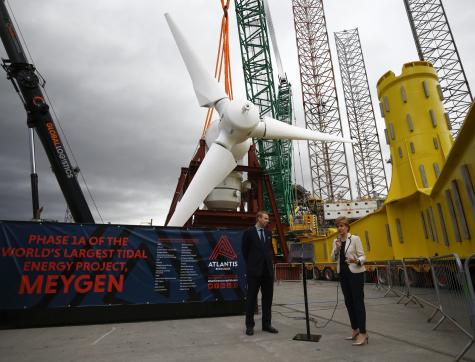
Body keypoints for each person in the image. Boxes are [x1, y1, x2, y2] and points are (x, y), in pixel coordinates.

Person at [331, 216, 368, 346]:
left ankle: (363, 333)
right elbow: (332, 258)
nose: (339, 228)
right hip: (343, 275)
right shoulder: (336, 241)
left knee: (358, 302)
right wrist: (336, 249)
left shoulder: (355, 239)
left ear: (347, 226)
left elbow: (363, 256)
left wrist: (356, 260)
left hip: (355, 274)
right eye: (338, 226)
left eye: (342, 226)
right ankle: (355, 330)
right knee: (349, 303)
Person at [241, 210, 278, 336]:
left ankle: (266, 325)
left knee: (268, 299)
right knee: (251, 299)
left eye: (268, 219)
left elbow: (269, 251)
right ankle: (249, 326)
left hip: (267, 272)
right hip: (254, 272)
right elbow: (244, 251)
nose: (268, 221)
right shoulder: (248, 233)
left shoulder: (268, 233)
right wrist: (252, 264)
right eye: (266, 218)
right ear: (259, 218)